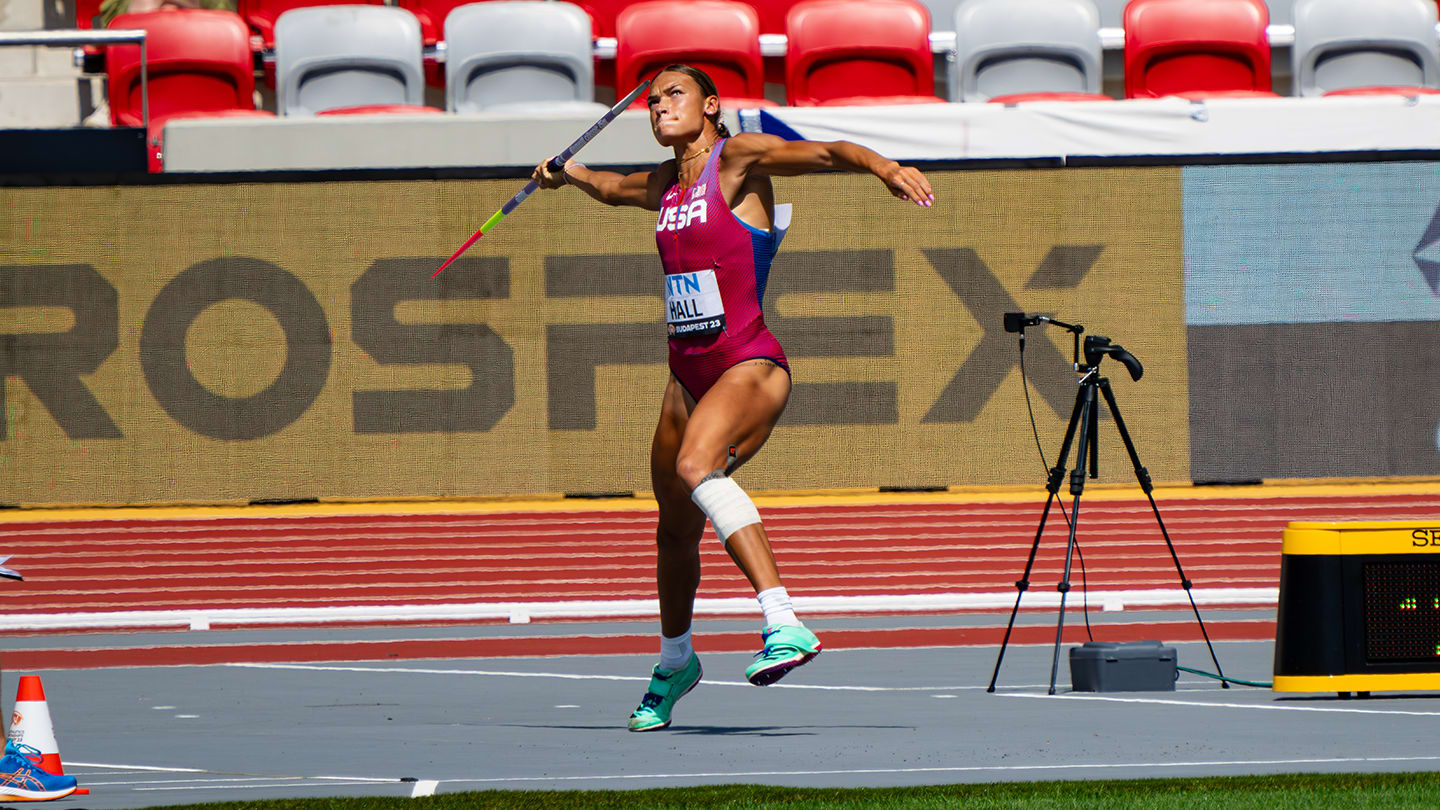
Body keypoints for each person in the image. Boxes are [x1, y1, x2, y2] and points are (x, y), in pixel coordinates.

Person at [532, 64, 933, 732]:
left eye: (674, 95)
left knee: (696, 467)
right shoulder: (664, 184)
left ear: (711, 105)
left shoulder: (737, 159)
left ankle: (784, 621)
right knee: (673, 530)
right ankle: (675, 662)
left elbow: (827, 153)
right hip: (685, 377)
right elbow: (609, 187)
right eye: (652, 100)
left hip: (748, 364)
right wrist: (565, 173)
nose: (659, 106)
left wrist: (884, 167)